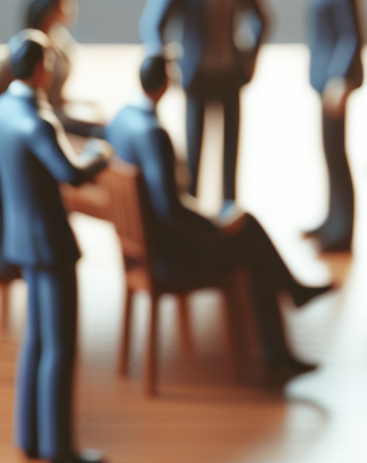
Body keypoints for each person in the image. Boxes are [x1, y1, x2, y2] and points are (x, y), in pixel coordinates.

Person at [105, 56, 333, 384]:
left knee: (245, 223)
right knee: (249, 237)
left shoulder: (122, 120)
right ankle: (279, 342)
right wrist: (214, 228)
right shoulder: (153, 134)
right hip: (171, 257)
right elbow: (170, 210)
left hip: (146, 247)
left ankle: (292, 300)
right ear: (165, 83)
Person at [0, 30, 110, 463]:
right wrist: (98, 154)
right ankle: (61, 451)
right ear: (39, 68)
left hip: (20, 239)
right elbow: (69, 174)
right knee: (60, 346)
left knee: (36, 340)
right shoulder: (39, 120)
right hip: (50, 241)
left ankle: (29, 438)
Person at [139, 0, 270, 208]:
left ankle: (230, 218)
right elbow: (153, 22)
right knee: (193, 161)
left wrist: (252, 56)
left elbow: (262, 18)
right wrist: (160, 65)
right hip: (197, 77)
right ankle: (193, 219)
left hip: (230, 76)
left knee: (231, 160)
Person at [0, 0, 106, 139]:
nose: (71, 10)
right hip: (39, 115)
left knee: (101, 125)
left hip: (54, 111)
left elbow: (55, 93)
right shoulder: (28, 45)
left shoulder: (59, 40)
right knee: (99, 132)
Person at [303, 0, 365, 252]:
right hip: (324, 78)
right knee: (329, 152)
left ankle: (343, 229)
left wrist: (340, 77)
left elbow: (351, 35)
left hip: (334, 83)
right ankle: (331, 219)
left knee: (336, 153)